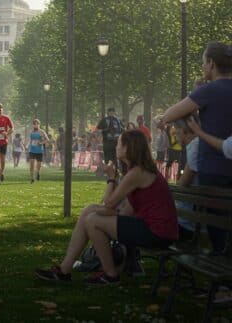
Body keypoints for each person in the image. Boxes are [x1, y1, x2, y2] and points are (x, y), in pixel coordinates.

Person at [35, 130, 178, 285]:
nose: (115, 146)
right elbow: (124, 209)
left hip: (157, 233)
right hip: (154, 228)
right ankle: (65, 270)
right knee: (89, 212)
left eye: (119, 143)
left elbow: (109, 204)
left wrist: (111, 178)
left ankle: (110, 275)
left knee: (92, 221)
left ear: (128, 148)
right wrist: (96, 209)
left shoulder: (137, 173)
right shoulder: (138, 170)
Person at [162, 41, 232, 252]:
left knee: (217, 230)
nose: (203, 68)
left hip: (214, 168)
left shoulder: (208, 91)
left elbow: (169, 115)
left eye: (204, 63)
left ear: (211, 63)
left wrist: (195, 94)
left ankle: (223, 277)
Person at [28, 119, 49, 184]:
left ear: (39, 124)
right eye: (34, 124)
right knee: (31, 165)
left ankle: (38, 173)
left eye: (37, 124)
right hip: (32, 150)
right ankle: (32, 178)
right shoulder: (31, 132)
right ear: (33, 125)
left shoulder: (42, 132)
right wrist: (28, 146)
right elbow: (31, 140)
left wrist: (41, 143)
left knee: (38, 165)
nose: (35, 125)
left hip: (39, 151)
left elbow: (47, 140)